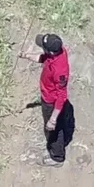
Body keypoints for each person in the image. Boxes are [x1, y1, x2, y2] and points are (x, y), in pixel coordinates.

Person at [19, 33, 73, 167]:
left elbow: (62, 95)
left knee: (54, 129)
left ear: (50, 51)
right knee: (53, 128)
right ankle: (53, 146)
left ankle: (57, 157)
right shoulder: (57, 52)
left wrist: (53, 118)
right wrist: (26, 55)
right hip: (47, 97)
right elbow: (42, 58)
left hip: (52, 102)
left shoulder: (60, 71)